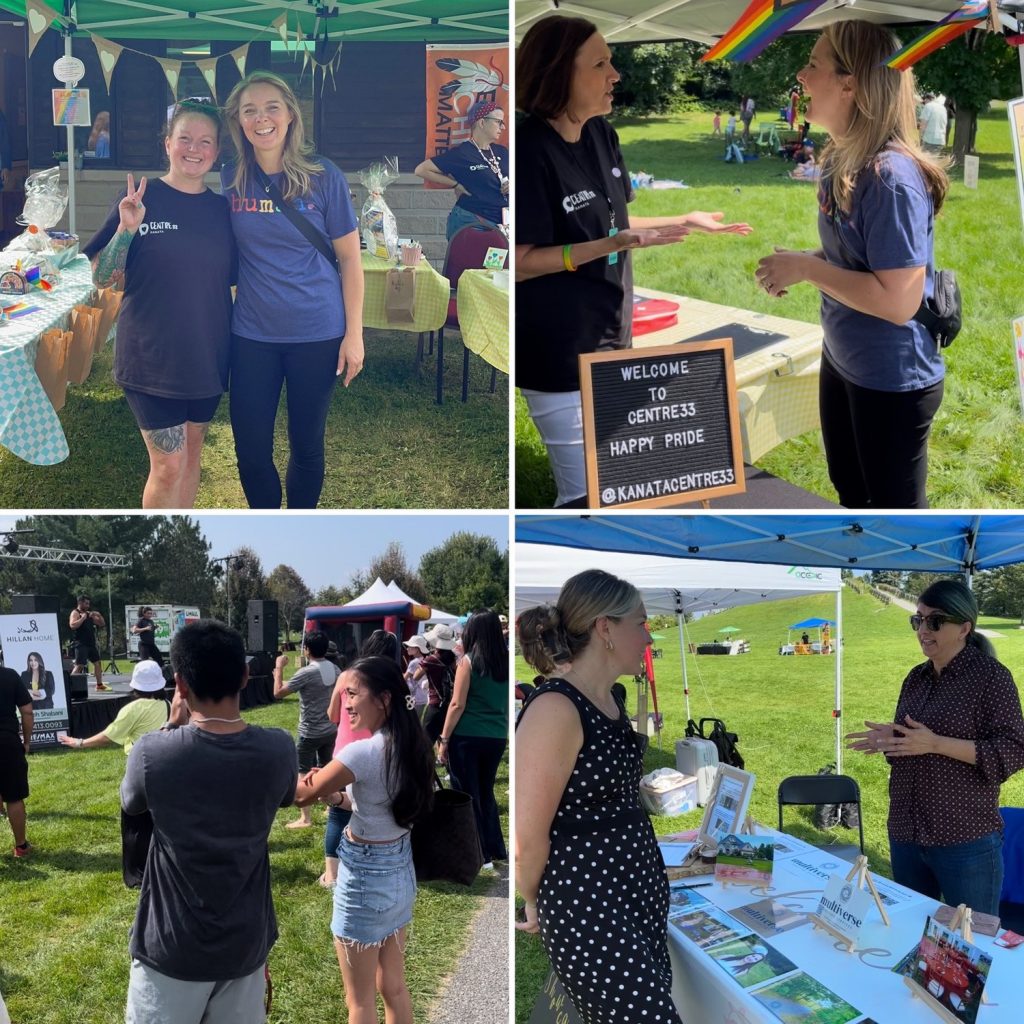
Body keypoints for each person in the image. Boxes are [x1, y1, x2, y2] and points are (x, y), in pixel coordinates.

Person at [515, 15, 752, 507]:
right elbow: (519, 260)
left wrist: (682, 218)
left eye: (613, 62)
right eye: (600, 63)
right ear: (559, 74)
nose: (614, 75)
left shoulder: (602, 135)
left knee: (620, 480)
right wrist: (606, 247)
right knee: (584, 497)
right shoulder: (528, 150)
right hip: (558, 349)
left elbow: (617, 222)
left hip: (613, 335)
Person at [755, 21, 949, 508]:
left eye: (814, 64)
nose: (801, 75)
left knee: (890, 516)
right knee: (850, 493)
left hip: (892, 379)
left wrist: (806, 269)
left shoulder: (891, 178)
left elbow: (899, 301)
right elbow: (859, 258)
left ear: (850, 83)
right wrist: (804, 261)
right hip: (844, 361)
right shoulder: (844, 159)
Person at [515, 569, 681, 1023]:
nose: (648, 638)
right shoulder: (555, 708)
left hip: (635, 895)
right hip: (590, 907)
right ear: (605, 628)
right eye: (642, 623)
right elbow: (528, 837)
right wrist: (531, 897)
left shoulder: (608, 701)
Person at [121, 621, 296, 1023]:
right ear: (246, 676)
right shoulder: (278, 748)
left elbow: (131, 803)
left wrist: (172, 725)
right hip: (245, 943)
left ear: (179, 684)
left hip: (171, 945)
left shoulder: (153, 753)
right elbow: (288, 796)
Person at [222, 71, 364, 510]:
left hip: (316, 334)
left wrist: (354, 334)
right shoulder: (229, 178)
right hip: (251, 336)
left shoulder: (324, 176)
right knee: (249, 450)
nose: (260, 119)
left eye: (271, 108)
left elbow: (350, 259)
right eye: (250, 110)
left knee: (306, 445)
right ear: (239, 122)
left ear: (289, 116)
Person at [83, 100, 233, 509]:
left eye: (205, 142)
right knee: (168, 464)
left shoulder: (224, 211)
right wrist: (126, 231)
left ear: (217, 152)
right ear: (167, 144)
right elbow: (100, 276)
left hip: (208, 356)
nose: (194, 149)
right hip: (151, 358)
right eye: (184, 138)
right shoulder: (140, 197)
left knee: (192, 455)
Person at [846, 579, 1024, 915]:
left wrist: (936, 743)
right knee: (909, 932)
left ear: (963, 628)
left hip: (964, 839)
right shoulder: (916, 678)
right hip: (907, 832)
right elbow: (913, 747)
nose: (923, 630)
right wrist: (891, 740)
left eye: (935, 621)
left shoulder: (991, 678)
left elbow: (1013, 751)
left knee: (973, 946)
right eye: (918, 619)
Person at [294, 656, 434, 1024]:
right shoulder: (412, 742)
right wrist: (338, 797)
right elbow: (374, 800)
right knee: (394, 987)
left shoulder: (362, 751)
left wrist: (263, 762)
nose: (345, 703)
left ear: (384, 699)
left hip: (365, 878)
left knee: (359, 1002)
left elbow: (300, 796)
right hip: (400, 870)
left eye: (352, 693)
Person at [58, 659, 169, 887]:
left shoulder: (133, 709)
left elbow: (108, 736)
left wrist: (79, 742)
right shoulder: (167, 704)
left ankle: (138, 875)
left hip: (141, 768)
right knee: (160, 822)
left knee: (135, 822)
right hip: (166, 767)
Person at [318, 630, 398, 888]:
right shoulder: (393, 679)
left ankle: (332, 873)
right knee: (372, 806)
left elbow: (332, 714)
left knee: (337, 813)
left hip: (346, 749)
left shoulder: (347, 676)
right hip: (379, 751)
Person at [438, 610, 509, 868]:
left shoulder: (468, 661)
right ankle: (494, 848)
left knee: (468, 794)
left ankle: (480, 853)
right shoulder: (506, 661)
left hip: (467, 735)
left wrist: (444, 739)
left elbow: (457, 703)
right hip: (497, 736)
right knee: (485, 792)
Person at [414, 100, 509, 239]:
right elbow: (421, 170)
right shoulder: (462, 153)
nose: (503, 127)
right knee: (471, 261)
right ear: (482, 123)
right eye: (498, 122)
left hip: (503, 224)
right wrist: (455, 184)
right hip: (473, 220)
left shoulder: (502, 151)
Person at [273, 630, 340, 829]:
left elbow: (278, 693)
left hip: (309, 732)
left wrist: (278, 669)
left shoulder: (307, 672)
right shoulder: (335, 669)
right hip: (330, 728)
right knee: (328, 768)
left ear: (307, 649)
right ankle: (331, 807)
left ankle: (306, 818)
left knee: (303, 771)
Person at [0, 664, 32, 858]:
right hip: (7, 741)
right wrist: (26, 741)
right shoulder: (9, 675)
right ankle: (21, 846)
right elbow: (27, 712)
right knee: (14, 796)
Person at [413, 623, 458, 743]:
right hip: (449, 705)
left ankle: (426, 762)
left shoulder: (430, 660)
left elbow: (416, 676)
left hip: (435, 705)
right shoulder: (452, 658)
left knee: (425, 742)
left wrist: (424, 660)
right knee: (445, 739)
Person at [69, 595, 108, 691]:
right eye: (86, 603)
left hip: (91, 643)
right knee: (80, 665)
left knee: (97, 663)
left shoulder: (89, 614)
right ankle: (69, 685)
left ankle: (99, 685)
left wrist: (99, 615)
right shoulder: (75, 612)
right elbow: (72, 625)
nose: (88, 606)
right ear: (80, 603)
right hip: (81, 643)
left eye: (88, 604)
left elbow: (102, 624)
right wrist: (82, 618)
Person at [402, 634, 430, 717]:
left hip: (414, 698)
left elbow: (404, 678)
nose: (407, 648)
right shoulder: (425, 659)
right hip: (424, 697)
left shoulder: (414, 662)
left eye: (410, 646)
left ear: (417, 649)